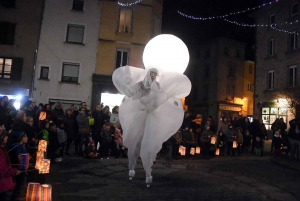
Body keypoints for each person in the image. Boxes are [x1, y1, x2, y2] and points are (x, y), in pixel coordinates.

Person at [0, 127, 21, 201]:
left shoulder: (2, 149)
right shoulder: (1, 152)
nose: (7, 138)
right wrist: (14, 171)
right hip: (2, 184)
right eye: (5, 136)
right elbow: (2, 170)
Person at [9, 131, 28, 201]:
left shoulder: (21, 146)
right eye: (25, 137)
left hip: (20, 168)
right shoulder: (17, 147)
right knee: (18, 184)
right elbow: (20, 158)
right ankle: (14, 198)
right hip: (18, 169)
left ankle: (16, 196)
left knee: (19, 184)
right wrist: (24, 167)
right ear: (20, 138)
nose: (27, 138)